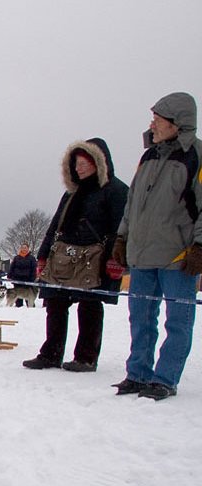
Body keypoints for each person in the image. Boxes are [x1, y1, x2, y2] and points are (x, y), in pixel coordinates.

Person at [113, 92, 202, 400]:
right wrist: (123, 237)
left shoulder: (196, 156)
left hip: (178, 255)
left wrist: (199, 247)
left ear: (177, 123)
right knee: (140, 317)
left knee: (177, 320)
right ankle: (137, 374)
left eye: (158, 119)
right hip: (142, 253)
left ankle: (165, 378)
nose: (152, 124)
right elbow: (132, 202)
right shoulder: (148, 156)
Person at [24, 139, 127, 372]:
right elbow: (55, 225)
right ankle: (50, 354)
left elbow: (120, 228)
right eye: (76, 164)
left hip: (95, 259)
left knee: (89, 305)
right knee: (55, 302)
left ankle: (86, 357)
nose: (79, 168)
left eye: (84, 163)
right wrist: (43, 256)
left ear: (99, 163)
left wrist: (115, 260)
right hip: (63, 256)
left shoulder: (116, 191)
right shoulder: (72, 192)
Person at [5, 243, 39, 307]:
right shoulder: (16, 258)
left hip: (28, 280)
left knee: (29, 297)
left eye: (25, 248)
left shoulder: (32, 258)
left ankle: (30, 309)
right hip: (17, 279)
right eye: (22, 247)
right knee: (18, 298)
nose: (24, 249)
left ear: (28, 249)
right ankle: (18, 308)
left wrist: (33, 278)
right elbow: (12, 267)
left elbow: (34, 269)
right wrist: (9, 275)